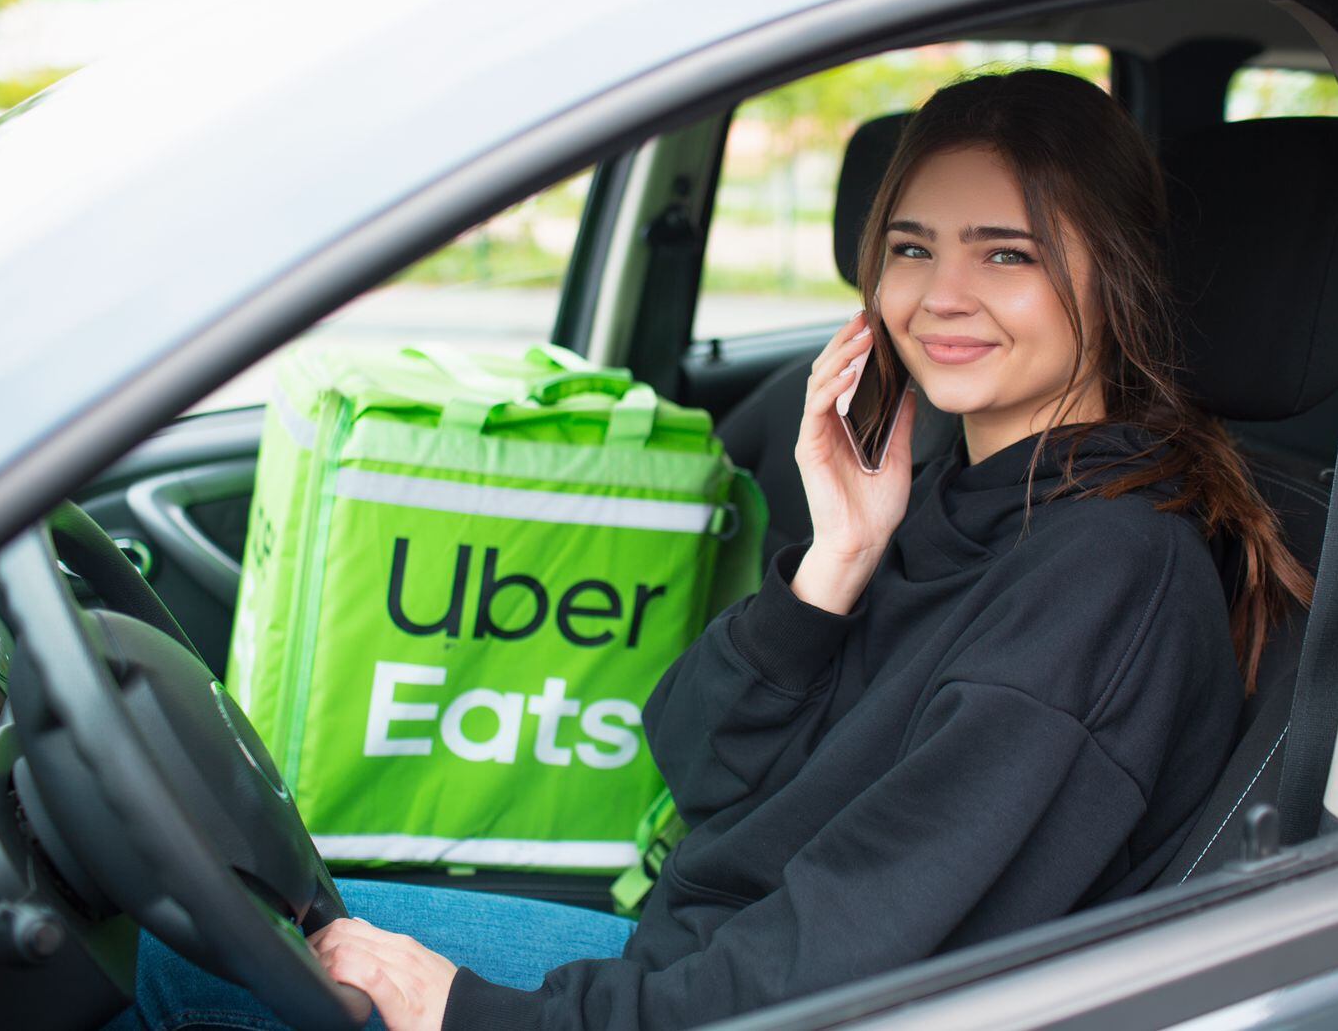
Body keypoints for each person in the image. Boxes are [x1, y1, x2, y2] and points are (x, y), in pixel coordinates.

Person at [111, 66, 1315, 1031]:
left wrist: (472, 1011)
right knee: (205, 928)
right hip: (702, 950)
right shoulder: (954, 493)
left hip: (741, 994)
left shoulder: (1105, 569)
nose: (941, 293)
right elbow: (704, 771)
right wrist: (832, 563)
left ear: (1113, 272)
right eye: (910, 246)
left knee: (188, 964)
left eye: (1006, 251)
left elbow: (865, 956)